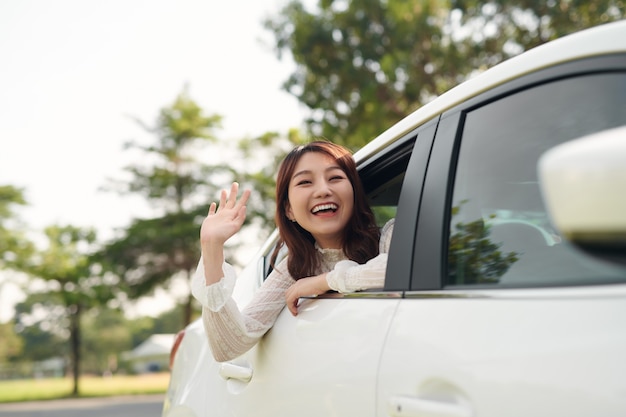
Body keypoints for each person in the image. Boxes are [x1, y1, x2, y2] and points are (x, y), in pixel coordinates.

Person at [191, 140, 394, 362]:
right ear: (289, 210)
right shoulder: (296, 269)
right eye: (305, 182)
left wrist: (323, 282)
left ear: (354, 193)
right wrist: (211, 247)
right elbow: (229, 345)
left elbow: (399, 269)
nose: (323, 191)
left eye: (335, 178)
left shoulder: (392, 236)